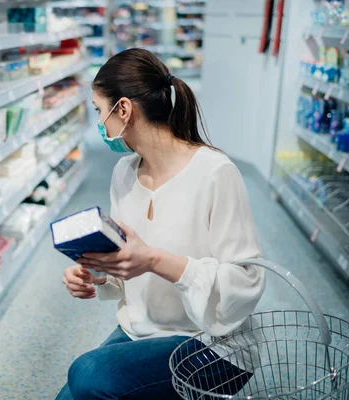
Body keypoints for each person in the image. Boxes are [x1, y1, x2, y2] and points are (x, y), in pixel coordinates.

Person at [56, 48, 266, 399]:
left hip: (214, 344)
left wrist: (156, 261)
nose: (98, 123)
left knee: (89, 373)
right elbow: (128, 259)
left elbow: (246, 281)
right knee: (72, 392)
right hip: (144, 330)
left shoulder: (215, 173)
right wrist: (97, 272)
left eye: (98, 110)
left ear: (123, 109)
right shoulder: (124, 173)